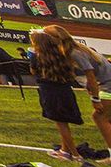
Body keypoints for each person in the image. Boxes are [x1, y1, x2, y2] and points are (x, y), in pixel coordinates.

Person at [46, 25, 111, 157]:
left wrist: (95, 99)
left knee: (99, 117)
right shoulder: (76, 48)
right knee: (106, 117)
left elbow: (91, 76)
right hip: (106, 82)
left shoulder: (74, 52)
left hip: (108, 84)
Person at [28, 29, 83, 161]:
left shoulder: (37, 56)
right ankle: (64, 151)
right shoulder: (61, 54)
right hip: (65, 90)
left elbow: (33, 71)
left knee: (61, 124)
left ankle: (75, 155)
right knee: (63, 122)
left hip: (50, 91)